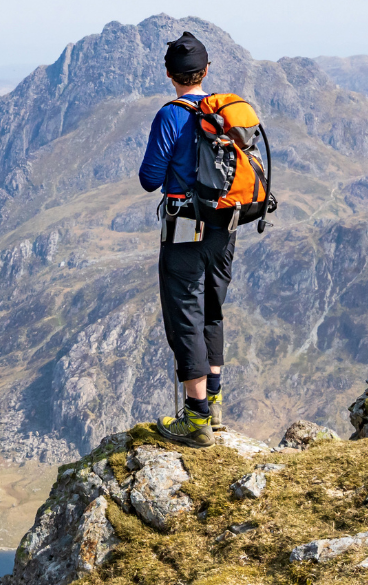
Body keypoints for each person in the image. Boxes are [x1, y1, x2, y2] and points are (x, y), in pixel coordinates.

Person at [138, 32, 232, 447]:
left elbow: (149, 179)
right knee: (212, 308)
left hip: (184, 230)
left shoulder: (171, 116)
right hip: (225, 226)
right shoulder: (225, 112)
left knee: (185, 316)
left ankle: (196, 422)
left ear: (168, 74)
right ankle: (215, 406)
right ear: (206, 71)